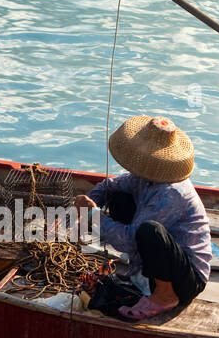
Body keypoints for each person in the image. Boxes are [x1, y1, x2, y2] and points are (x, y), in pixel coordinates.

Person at [74, 115, 211, 320]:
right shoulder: (143, 178)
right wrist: (85, 210)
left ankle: (165, 296)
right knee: (119, 197)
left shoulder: (171, 193)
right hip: (154, 262)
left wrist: (93, 216)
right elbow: (109, 186)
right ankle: (141, 276)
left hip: (185, 278)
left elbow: (131, 239)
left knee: (150, 231)